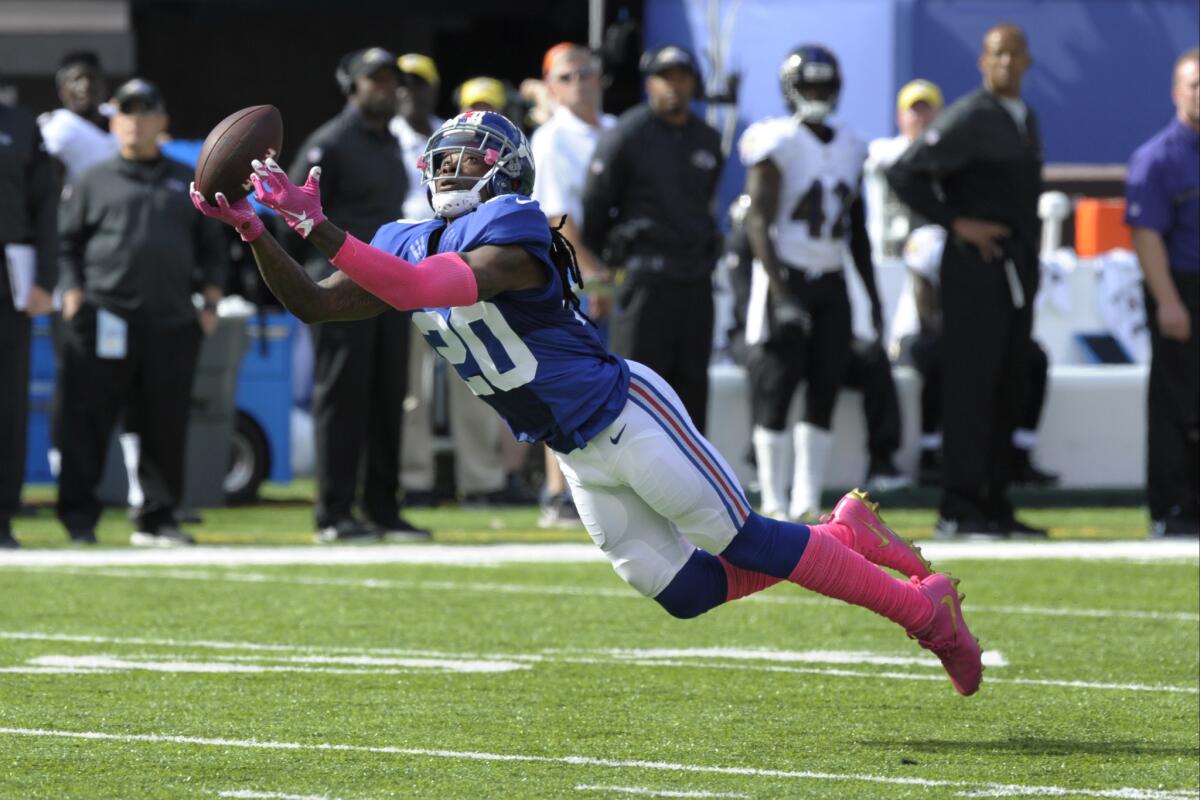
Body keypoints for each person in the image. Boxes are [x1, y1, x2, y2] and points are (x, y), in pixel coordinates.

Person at [193, 108, 983, 696]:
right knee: (687, 594)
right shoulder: (402, 235)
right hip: (570, 450)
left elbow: (420, 289)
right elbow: (317, 306)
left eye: (468, 163)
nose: (449, 175)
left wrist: (320, 227)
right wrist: (255, 232)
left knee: (740, 540)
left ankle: (926, 613)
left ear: (504, 172)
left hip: (626, 415)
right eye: (445, 161)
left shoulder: (514, 229)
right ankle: (841, 533)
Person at [887, 24, 1046, 538]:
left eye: (1014, 54)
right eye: (996, 54)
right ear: (983, 61)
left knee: (1008, 382)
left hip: (1015, 270)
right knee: (971, 388)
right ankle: (958, 507)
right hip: (974, 270)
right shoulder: (971, 115)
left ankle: (995, 503)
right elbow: (904, 172)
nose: (1005, 62)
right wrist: (958, 223)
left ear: (1027, 61)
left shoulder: (1023, 118)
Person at [55, 79, 227, 546]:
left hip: (171, 320)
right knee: (87, 422)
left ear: (162, 121)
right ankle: (78, 519)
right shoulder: (92, 180)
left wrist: (210, 300)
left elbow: (213, 246)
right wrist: (72, 292)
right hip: (105, 317)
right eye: (125, 113)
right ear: (113, 122)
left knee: (165, 424)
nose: (133, 122)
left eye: (143, 112)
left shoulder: (186, 179)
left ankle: (157, 519)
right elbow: (66, 244)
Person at [283, 47, 428, 542]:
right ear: (351, 85)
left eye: (393, 80)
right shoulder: (331, 142)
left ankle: (384, 508)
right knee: (341, 398)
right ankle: (335, 511)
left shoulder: (391, 143)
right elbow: (292, 216)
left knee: (388, 396)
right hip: (344, 287)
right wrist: (318, 277)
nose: (388, 88)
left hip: (390, 283)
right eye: (377, 80)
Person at [738, 45, 886, 521]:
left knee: (824, 385)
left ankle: (807, 498)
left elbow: (857, 228)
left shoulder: (851, 144)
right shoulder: (774, 141)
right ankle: (774, 500)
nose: (818, 94)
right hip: (789, 276)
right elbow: (757, 222)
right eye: (810, 85)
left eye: (826, 86)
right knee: (777, 385)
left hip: (832, 279)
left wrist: (874, 296)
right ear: (791, 89)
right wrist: (780, 293)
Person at [582, 45, 724, 433]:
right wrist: (605, 268)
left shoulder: (708, 139)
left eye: (682, 77)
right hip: (644, 278)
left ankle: (692, 487)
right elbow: (594, 209)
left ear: (693, 83)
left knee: (693, 387)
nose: (674, 86)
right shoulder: (627, 134)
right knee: (639, 389)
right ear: (649, 83)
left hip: (696, 279)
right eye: (665, 77)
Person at [529, 42, 617, 528]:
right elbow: (556, 213)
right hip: (575, 272)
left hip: (618, 268)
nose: (579, 83)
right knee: (569, 378)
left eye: (586, 73)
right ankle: (561, 489)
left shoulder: (618, 129)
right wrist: (590, 272)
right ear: (551, 86)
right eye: (567, 76)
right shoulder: (551, 137)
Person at [1126, 48, 1200, 538]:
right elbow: (1147, 235)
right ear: (1177, 93)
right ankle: (1173, 507)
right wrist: (1168, 301)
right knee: (1178, 405)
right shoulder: (1157, 158)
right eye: (1195, 85)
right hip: (1183, 287)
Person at [0, 89, 57, 549]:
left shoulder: (21, 126)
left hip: (7, 286)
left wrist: (46, 279)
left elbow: (45, 207)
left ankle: (1, 515)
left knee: (7, 403)